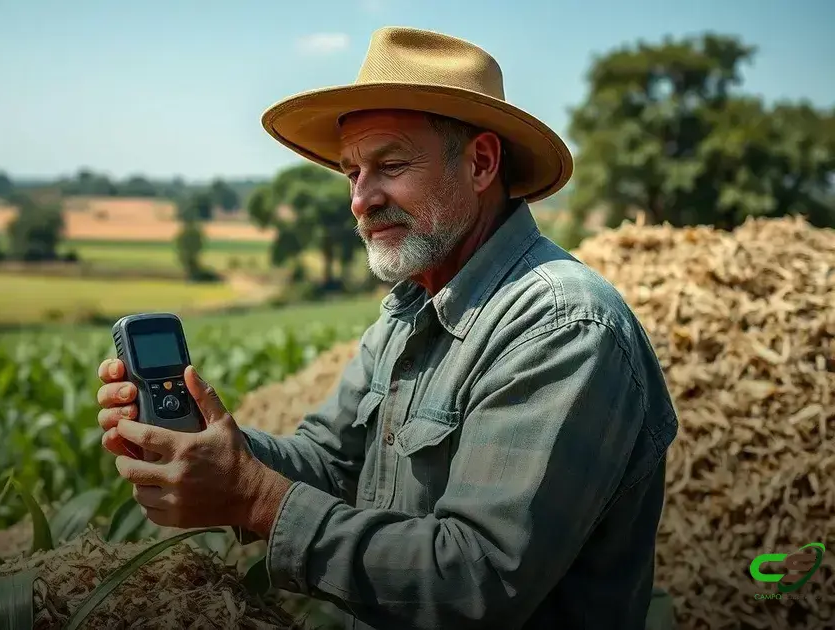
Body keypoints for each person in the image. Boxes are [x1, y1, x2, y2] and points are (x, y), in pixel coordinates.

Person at [96, 26, 678, 630]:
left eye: (391, 165)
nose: (361, 200)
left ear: (480, 163)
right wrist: (202, 439)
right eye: (352, 173)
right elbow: (330, 465)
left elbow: (476, 579)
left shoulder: (561, 327)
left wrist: (252, 496)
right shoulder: (410, 311)